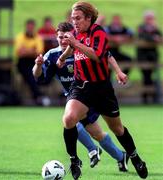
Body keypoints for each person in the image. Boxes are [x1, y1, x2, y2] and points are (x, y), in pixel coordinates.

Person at [57, 2, 148, 179]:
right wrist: (62, 57)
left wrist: (118, 71)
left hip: (102, 89)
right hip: (81, 86)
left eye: (78, 18)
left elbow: (100, 55)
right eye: (72, 18)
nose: (74, 22)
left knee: (117, 128)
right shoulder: (75, 34)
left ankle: (134, 156)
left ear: (89, 18)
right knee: (69, 119)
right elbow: (71, 46)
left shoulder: (98, 32)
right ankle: (74, 160)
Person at [33, 22, 129, 172]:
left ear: (73, 35)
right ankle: (120, 156)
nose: (63, 41)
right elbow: (39, 78)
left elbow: (106, 55)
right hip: (75, 97)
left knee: (71, 120)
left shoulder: (83, 48)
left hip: (93, 94)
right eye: (60, 37)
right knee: (97, 134)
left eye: (66, 37)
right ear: (56, 37)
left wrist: (118, 71)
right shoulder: (52, 55)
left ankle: (92, 151)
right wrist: (38, 65)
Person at [15, 19, 44, 105]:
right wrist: (32, 50)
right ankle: (38, 95)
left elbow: (39, 52)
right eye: (29, 27)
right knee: (30, 74)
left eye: (32, 27)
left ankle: (37, 96)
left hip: (34, 62)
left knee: (31, 73)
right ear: (26, 27)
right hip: (22, 63)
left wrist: (25, 50)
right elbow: (19, 52)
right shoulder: (20, 37)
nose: (30, 29)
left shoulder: (38, 37)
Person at [137, 10, 162, 104]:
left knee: (155, 77)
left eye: (151, 18)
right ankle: (146, 98)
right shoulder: (141, 27)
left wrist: (155, 33)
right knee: (146, 76)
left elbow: (160, 36)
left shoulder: (155, 28)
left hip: (153, 57)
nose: (150, 20)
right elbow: (144, 36)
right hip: (143, 57)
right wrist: (153, 38)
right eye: (148, 18)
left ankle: (154, 98)